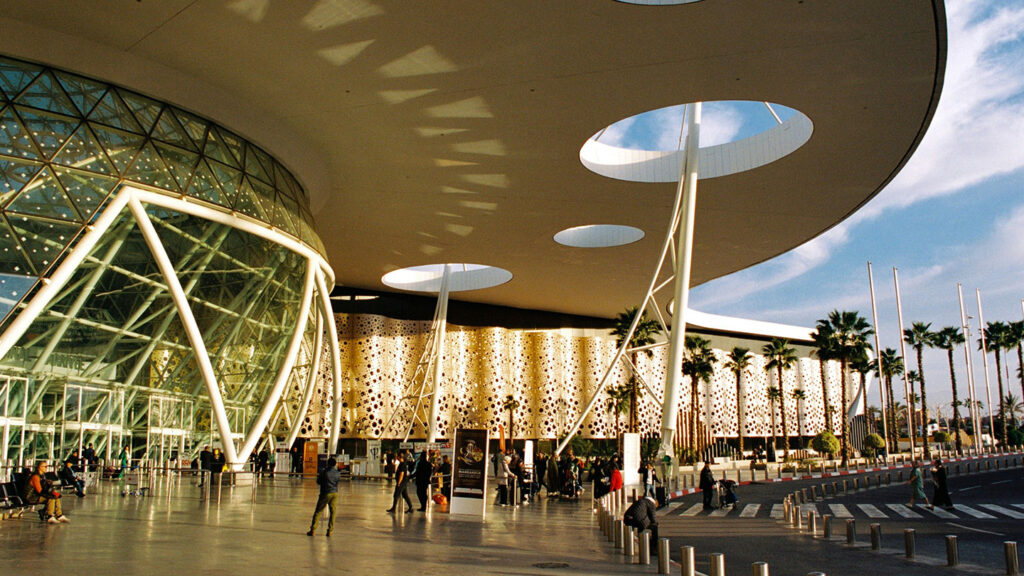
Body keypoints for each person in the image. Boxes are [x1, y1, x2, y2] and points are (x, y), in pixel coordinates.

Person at [307, 457, 342, 536]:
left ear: (328, 463)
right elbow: (337, 481)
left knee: (318, 511)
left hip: (325, 493)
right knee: (333, 512)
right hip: (334, 493)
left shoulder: (324, 472)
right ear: (335, 464)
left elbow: (318, 481)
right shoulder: (337, 473)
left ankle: (313, 529)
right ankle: (330, 531)